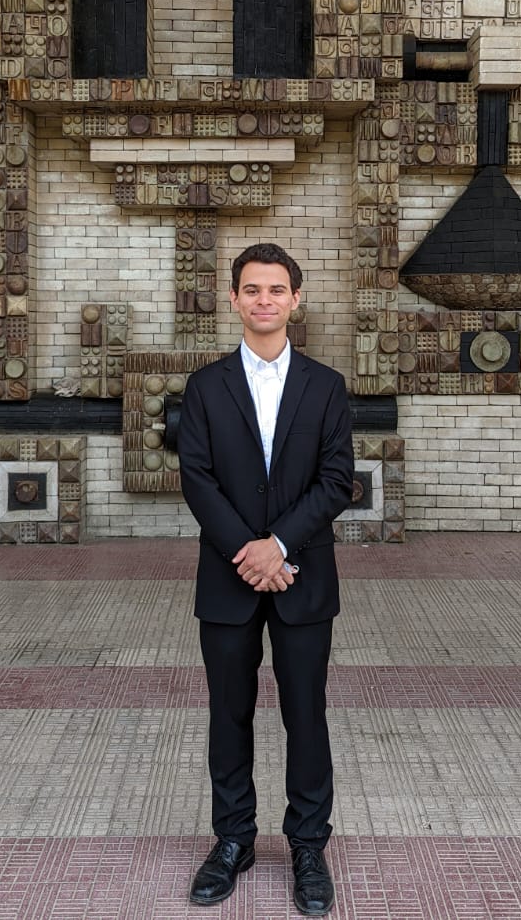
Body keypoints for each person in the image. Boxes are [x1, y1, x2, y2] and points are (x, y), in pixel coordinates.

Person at [177, 242, 354, 916]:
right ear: (233, 300)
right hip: (227, 580)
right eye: (252, 289)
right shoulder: (205, 386)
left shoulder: (326, 386)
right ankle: (233, 840)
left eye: (276, 290)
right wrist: (247, 552)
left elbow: (337, 479)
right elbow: (196, 477)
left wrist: (277, 545)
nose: (264, 301)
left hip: (302, 576)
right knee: (230, 714)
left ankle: (309, 846)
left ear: (296, 300)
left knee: (306, 713)